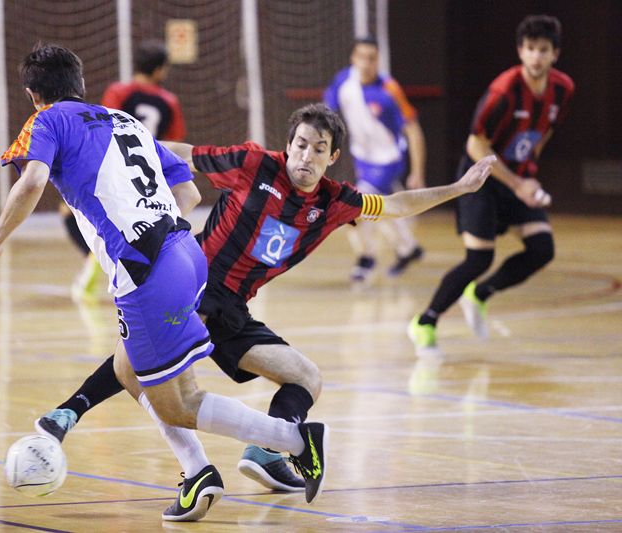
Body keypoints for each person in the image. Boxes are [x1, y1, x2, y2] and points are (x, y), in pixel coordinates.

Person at [33, 102, 495, 520]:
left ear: (332, 158)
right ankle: (72, 416)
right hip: (194, 284)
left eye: (319, 150)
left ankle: (264, 451)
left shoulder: (336, 201)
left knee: (306, 378)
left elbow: (394, 205)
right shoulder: (254, 164)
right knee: (139, 370)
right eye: (299, 145)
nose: (306, 157)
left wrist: (460, 187)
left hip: (233, 309)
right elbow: (185, 153)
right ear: (287, 144)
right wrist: (119, 148)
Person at [0, 43, 332, 522]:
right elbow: (188, 190)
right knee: (128, 369)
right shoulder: (125, 121)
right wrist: (154, 233)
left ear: (34, 95)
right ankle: (197, 471)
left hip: (145, 272)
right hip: (185, 252)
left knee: (181, 403)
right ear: (81, 86)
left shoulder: (48, 121)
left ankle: (291, 439)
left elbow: (32, 181)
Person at [407, 15, 574, 357]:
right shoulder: (504, 91)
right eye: (530, 49)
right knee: (478, 259)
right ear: (520, 51)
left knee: (542, 248)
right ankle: (425, 322)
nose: (536, 57)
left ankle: (480, 295)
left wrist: (529, 173)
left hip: (515, 177)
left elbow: (545, 131)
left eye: (543, 50)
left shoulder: (563, 89)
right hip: (480, 178)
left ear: (555, 53)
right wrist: (517, 182)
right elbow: (475, 145)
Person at [66, 40, 187, 301]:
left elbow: (103, 127)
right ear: (159, 70)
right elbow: (174, 142)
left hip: (118, 168)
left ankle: (97, 262)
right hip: (151, 172)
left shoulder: (119, 91)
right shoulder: (169, 100)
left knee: (77, 213)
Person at [324, 36, 427, 282]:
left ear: (378, 60)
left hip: (388, 159)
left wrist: (418, 172)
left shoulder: (388, 90)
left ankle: (366, 257)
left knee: (356, 208)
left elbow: (413, 131)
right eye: (362, 57)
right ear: (353, 58)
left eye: (372, 58)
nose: (367, 63)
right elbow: (327, 113)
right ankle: (408, 248)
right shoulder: (344, 82)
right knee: (385, 207)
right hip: (363, 158)